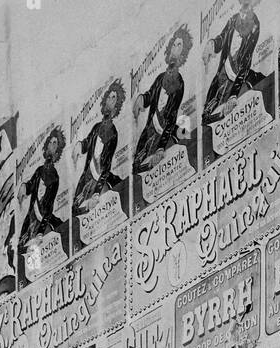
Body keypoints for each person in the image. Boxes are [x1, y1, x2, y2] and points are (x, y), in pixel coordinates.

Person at [134, 25, 193, 173]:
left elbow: (172, 116)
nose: (175, 47)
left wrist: (161, 146)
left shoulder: (179, 82)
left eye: (179, 45)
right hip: (149, 130)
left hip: (163, 134)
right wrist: (142, 99)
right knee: (136, 166)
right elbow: (150, 95)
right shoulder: (160, 78)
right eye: (174, 44)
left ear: (183, 53)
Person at [203, 0, 264, 122]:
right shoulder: (232, 20)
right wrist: (212, 44)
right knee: (209, 114)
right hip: (223, 74)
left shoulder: (255, 25)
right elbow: (222, 38)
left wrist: (234, 94)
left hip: (238, 79)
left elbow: (246, 59)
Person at [72, 81, 126, 213]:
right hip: (87, 176)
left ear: (117, 105)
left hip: (100, 179)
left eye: (114, 98)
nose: (110, 100)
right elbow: (87, 143)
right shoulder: (96, 127)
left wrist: (97, 191)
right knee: (76, 208)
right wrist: (80, 146)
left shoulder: (112, 132)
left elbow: (106, 166)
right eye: (109, 96)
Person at [18, 126, 66, 255]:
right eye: (50, 142)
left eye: (55, 143)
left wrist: (41, 231)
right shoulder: (39, 170)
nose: (51, 145)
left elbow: (48, 206)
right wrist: (24, 186)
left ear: (58, 150)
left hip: (43, 220)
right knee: (22, 247)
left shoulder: (54, 177)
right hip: (31, 217)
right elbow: (30, 186)